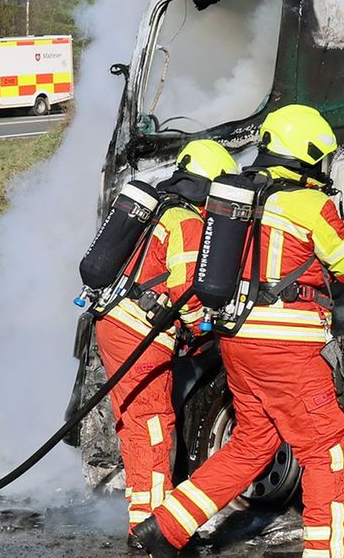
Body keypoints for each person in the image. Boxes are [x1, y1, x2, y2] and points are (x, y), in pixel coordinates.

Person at [137, 105, 344, 558]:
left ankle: (165, 528)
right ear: (307, 156)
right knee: (328, 447)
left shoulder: (234, 197)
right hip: (289, 347)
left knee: (252, 443)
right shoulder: (310, 204)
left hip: (237, 342)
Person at [94, 139, 237, 547]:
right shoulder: (186, 221)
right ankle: (153, 531)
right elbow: (186, 292)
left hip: (116, 324)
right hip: (140, 334)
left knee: (137, 426)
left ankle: (143, 520)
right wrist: (205, 331)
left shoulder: (158, 207)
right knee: (153, 427)